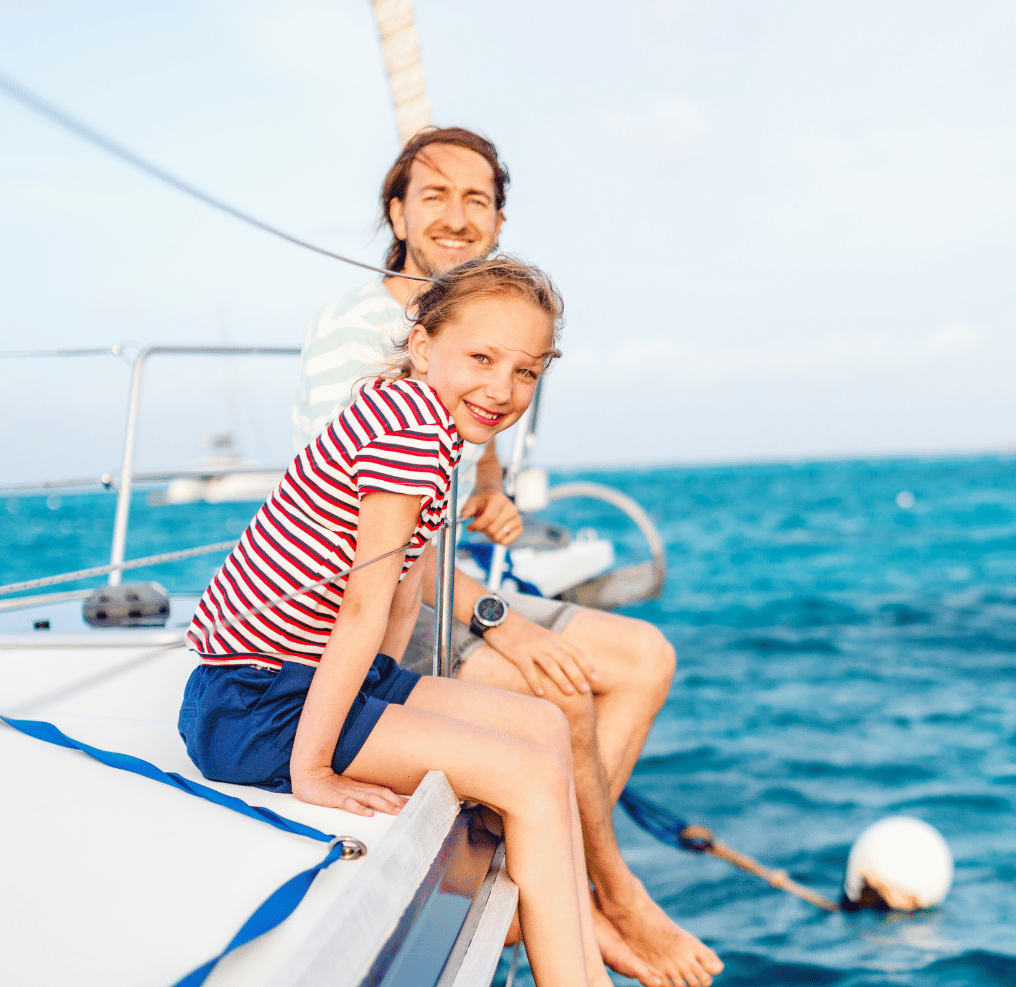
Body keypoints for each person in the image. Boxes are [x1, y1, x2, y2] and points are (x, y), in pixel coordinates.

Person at [291, 127, 719, 987]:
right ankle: (605, 896)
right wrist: (503, 621)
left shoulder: (486, 334)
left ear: (497, 219)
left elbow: (460, 484)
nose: (457, 215)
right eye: (435, 194)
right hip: (386, 615)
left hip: (446, 580)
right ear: (397, 212)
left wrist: (492, 495)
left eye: (477, 198)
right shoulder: (368, 334)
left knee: (644, 656)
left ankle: (589, 894)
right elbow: (373, 542)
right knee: (562, 692)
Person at [182, 257, 607, 987]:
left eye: (527, 371)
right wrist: (312, 769)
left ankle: (577, 948)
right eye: (481, 358)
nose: (502, 389)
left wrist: (393, 705)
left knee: (542, 727)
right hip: (256, 702)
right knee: (532, 777)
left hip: (302, 678)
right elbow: (363, 604)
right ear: (422, 345)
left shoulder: (425, 421)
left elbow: (408, 596)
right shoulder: (411, 430)